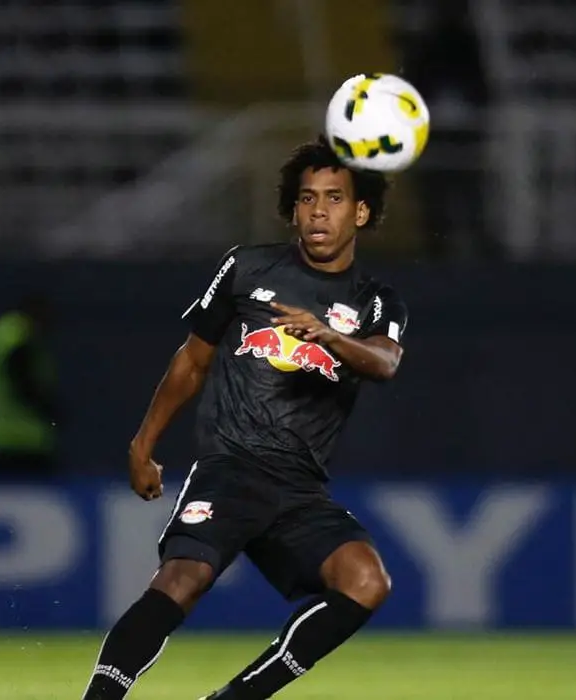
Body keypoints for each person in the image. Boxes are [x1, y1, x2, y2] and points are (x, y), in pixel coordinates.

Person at [79, 138, 408, 700]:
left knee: (366, 581)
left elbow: (384, 362)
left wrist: (329, 335)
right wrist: (142, 444)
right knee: (182, 580)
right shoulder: (247, 266)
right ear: (292, 208)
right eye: (306, 198)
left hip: (301, 487)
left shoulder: (376, 301)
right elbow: (192, 360)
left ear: (362, 212)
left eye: (333, 197)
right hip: (233, 466)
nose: (318, 210)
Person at [0, 293, 59, 478]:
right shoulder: (20, 339)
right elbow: (24, 386)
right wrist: (51, 411)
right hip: (22, 443)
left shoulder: (3, 334)